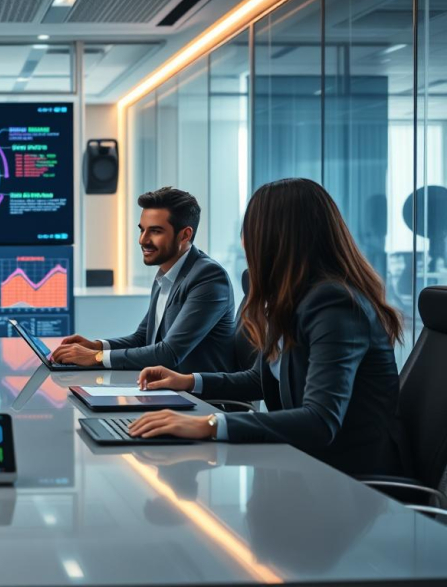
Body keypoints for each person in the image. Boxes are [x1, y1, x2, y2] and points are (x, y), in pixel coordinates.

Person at [129, 178, 410, 477]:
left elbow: (320, 421)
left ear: (276, 238)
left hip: (351, 481)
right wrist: (187, 381)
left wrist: (208, 424)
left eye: (250, 232)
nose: (244, 242)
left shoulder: (334, 305)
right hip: (304, 466)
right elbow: (259, 380)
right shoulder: (293, 298)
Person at [51, 187, 236, 373]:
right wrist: (97, 346)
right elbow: (142, 338)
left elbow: (169, 353)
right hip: (165, 391)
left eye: (155, 231)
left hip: (199, 399)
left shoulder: (209, 277)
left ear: (185, 235)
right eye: (142, 230)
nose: (143, 240)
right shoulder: (165, 274)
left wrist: (95, 358)